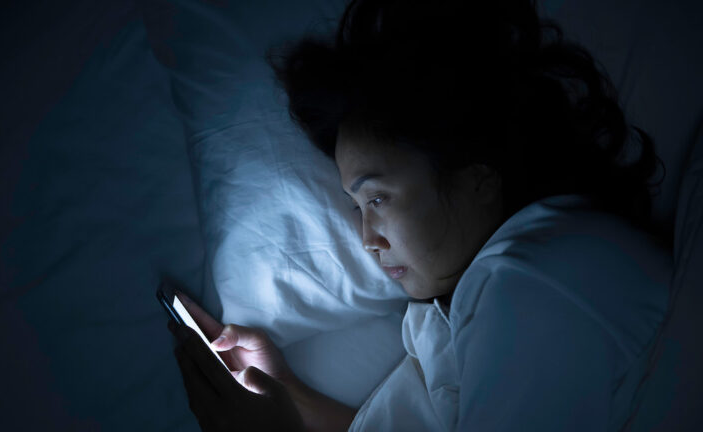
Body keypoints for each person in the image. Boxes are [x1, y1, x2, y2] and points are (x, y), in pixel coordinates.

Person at [166, 0, 672, 430]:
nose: (368, 239)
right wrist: (287, 391)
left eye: (379, 199)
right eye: (358, 207)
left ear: (476, 174)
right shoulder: (473, 295)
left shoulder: (535, 282)